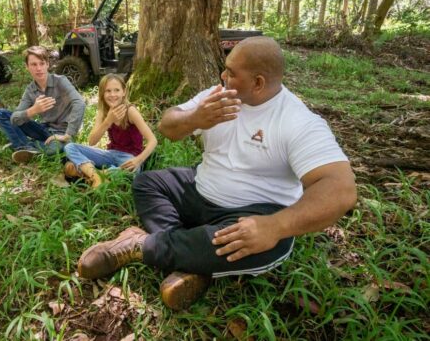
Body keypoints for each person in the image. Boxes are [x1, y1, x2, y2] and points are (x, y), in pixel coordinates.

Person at [76, 37, 357, 310]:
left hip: (252, 212)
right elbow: (167, 126)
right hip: (200, 187)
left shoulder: (297, 120)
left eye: (231, 73)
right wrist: (194, 119)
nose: (222, 75)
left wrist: (275, 227)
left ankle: (139, 245)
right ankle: (194, 260)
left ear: (258, 83)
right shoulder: (217, 96)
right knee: (149, 182)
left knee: (269, 245)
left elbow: (340, 189)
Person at [63, 74, 157, 188]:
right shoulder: (103, 111)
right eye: (108, 91)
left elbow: (153, 140)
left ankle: (89, 173)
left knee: (133, 173)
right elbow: (92, 141)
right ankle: (96, 176)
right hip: (110, 154)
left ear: (124, 92)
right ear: (103, 93)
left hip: (129, 157)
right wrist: (108, 121)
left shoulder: (130, 111)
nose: (113, 95)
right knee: (69, 147)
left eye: (117, 90)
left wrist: (138, 160)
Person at [0, 46, 86, 163]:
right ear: (27, 67)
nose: (39, 68)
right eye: (33, 64)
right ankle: (27, 146)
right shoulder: (30, 90)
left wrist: (68, 135)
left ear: (47, 64)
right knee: (1, 114)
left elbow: (80, 103)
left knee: (55, 152)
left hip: (61, 132)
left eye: (42, 63)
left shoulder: (60, 81)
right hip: (43, 129)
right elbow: (14, 119)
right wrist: (33, 110)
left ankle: (22, 144)